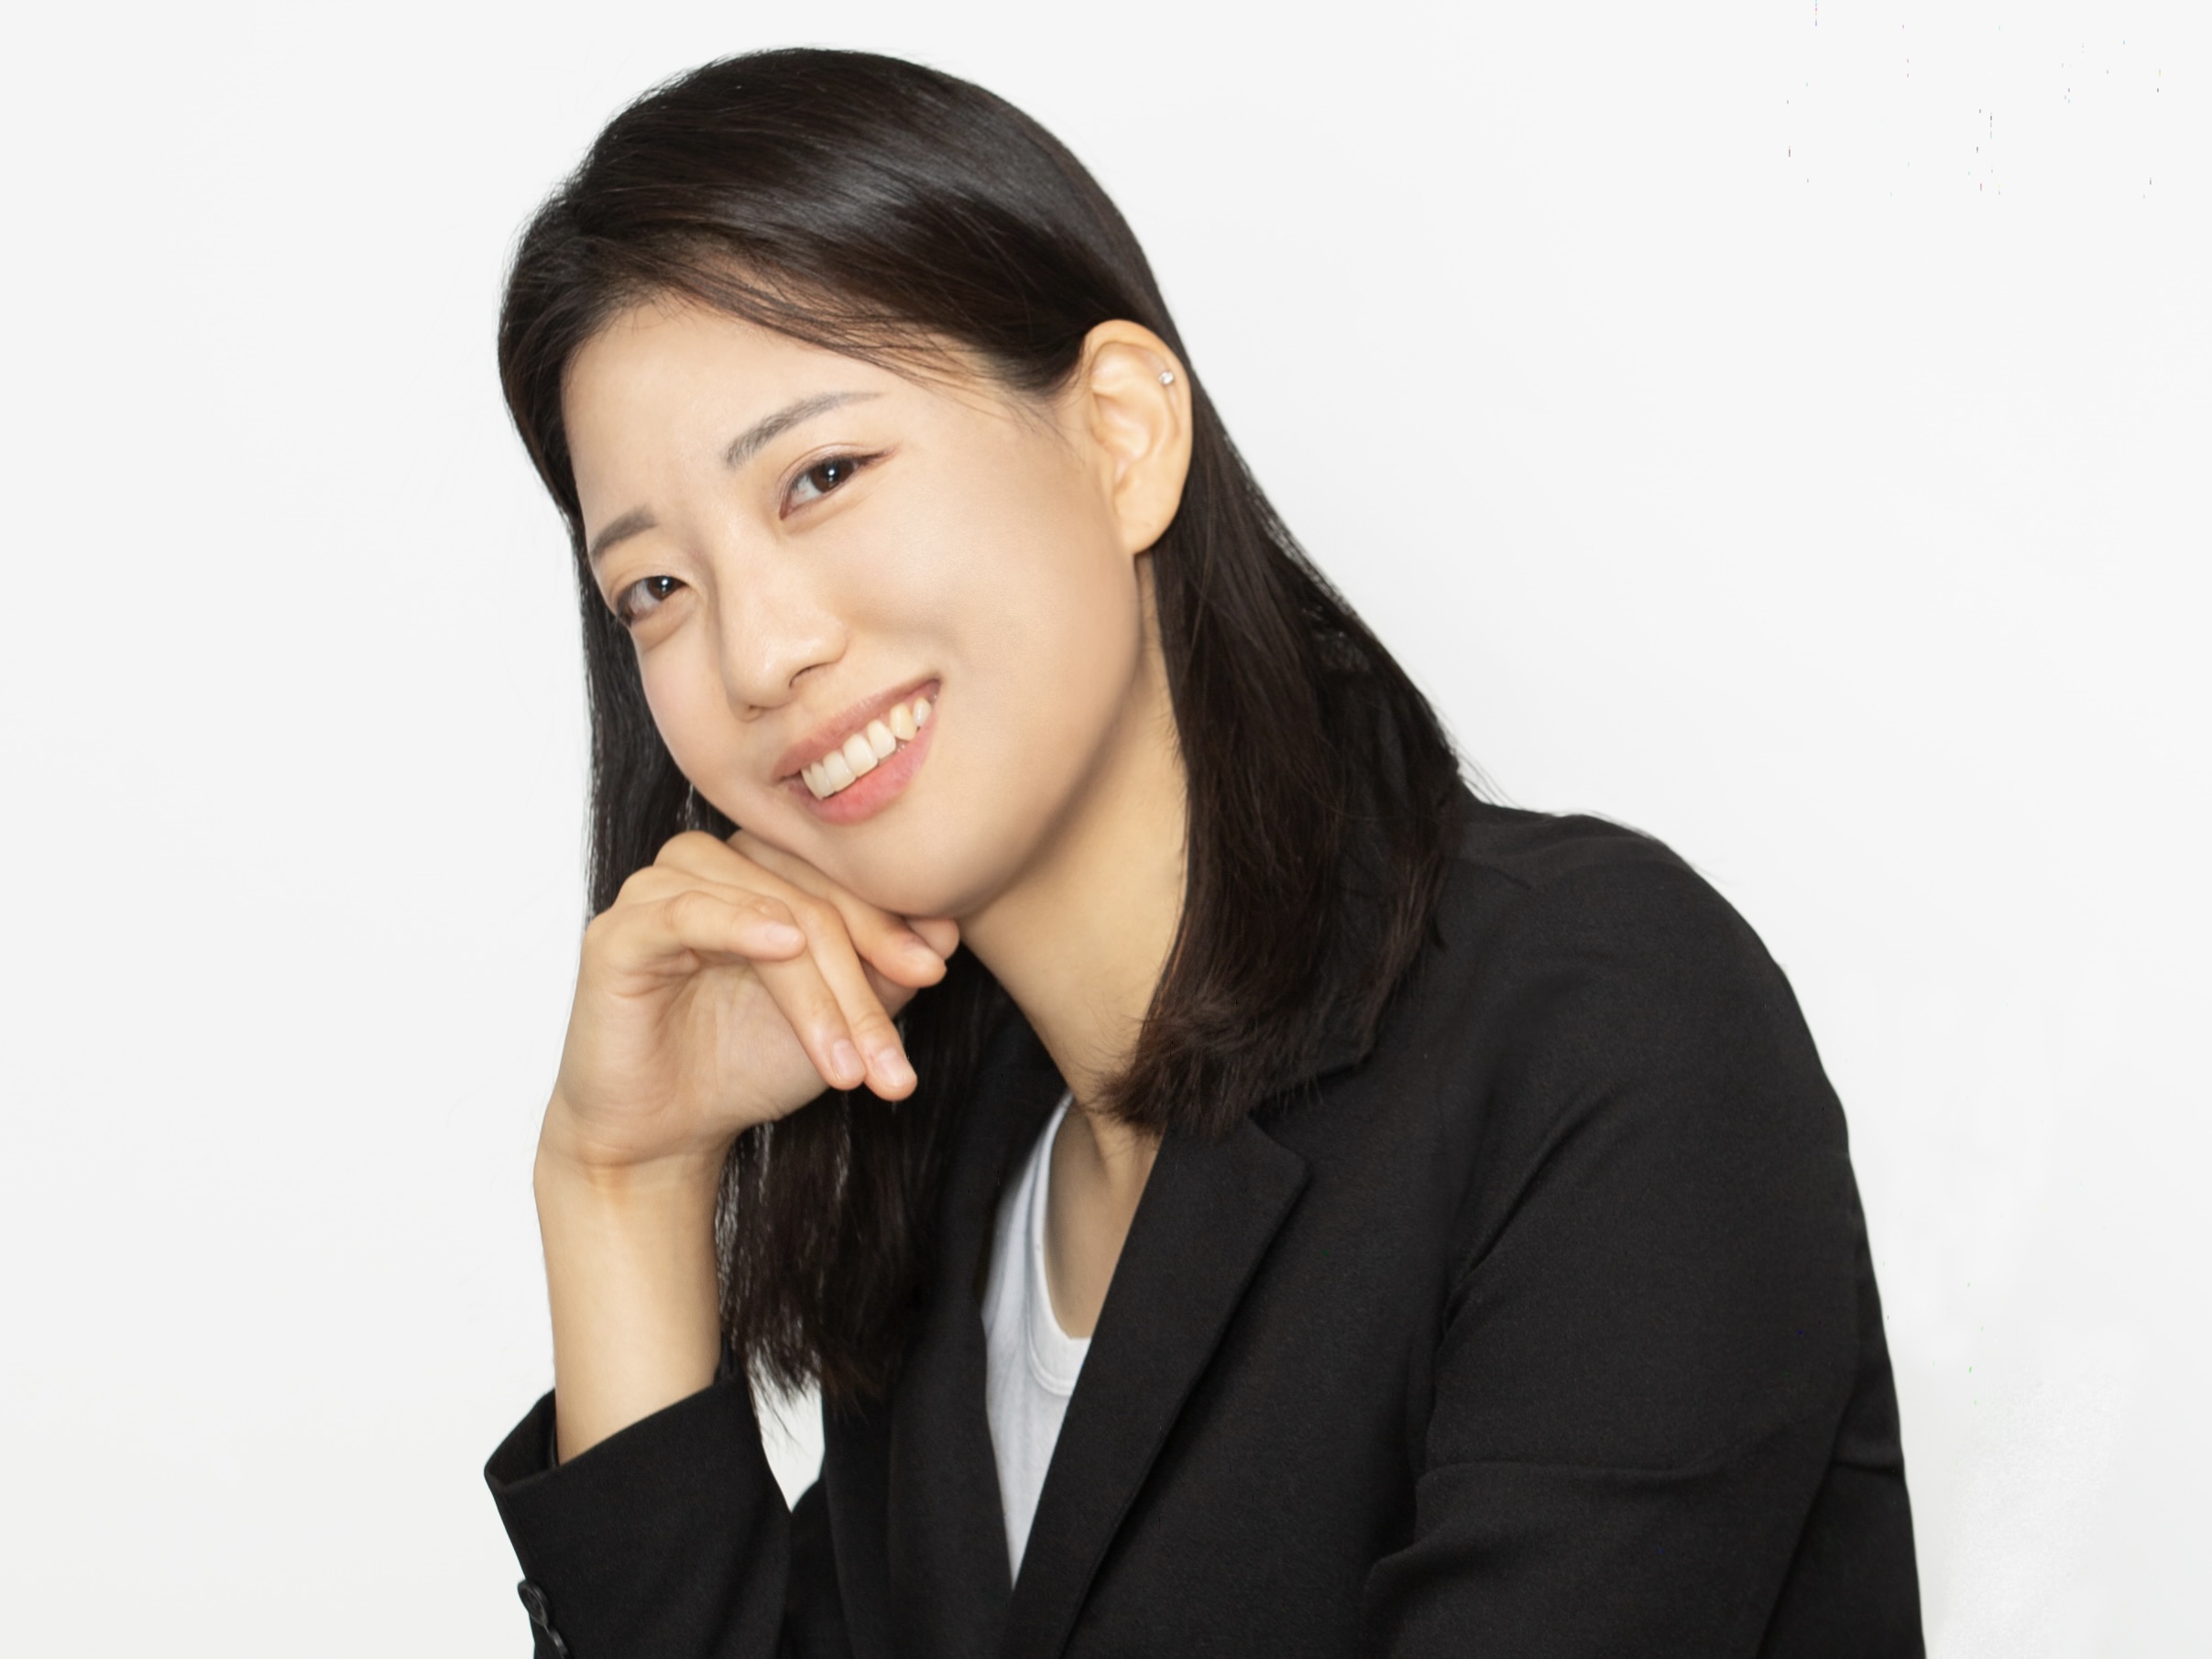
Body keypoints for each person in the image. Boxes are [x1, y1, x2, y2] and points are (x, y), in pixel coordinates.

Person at [482, 47, 1922, 1657]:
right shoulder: (956, 1183)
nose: (758, 654)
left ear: (1119, 435)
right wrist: (622, 1184)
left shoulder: (1597, 1027)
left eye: (820, 477)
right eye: (654, 592)